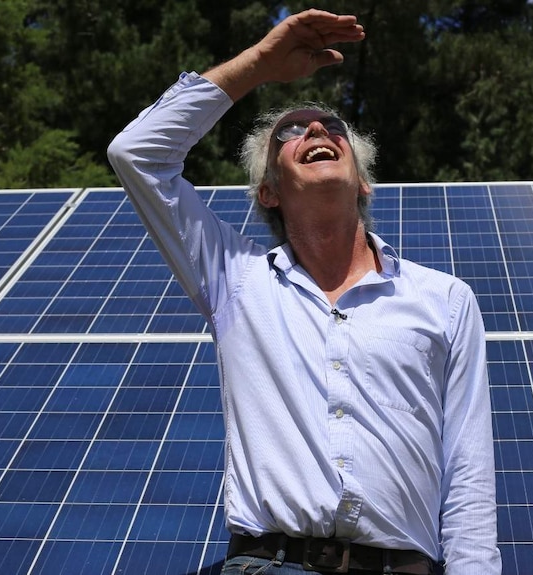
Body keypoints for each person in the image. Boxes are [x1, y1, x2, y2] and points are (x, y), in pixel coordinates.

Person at [107, 9, 500, 575]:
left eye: (332, 127)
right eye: (289, 133)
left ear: (363, 181)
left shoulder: (445, 299)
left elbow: (467, 472)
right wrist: (259, 67)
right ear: (268, 191)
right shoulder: (234, 278)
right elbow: (137, 155)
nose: (315, 130)